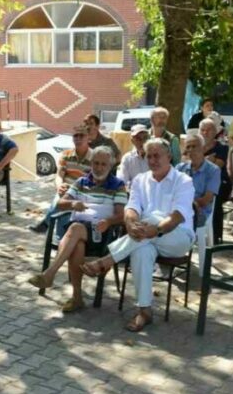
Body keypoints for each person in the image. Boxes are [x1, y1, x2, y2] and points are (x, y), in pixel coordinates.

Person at [79, 138, 195, 332]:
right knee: (141, 251)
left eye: (157, 156)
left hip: (178, 237)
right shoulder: (140, 180)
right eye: (149, 156)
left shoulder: (183, 181)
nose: (153, 160)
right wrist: (131, 223)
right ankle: (144, 311)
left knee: (153, 217)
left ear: (169, 156)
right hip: (144, 238)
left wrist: (156, 228)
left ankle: (107, 260)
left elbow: (177, 216)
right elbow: (131, 208)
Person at [27, 147, 126, 312]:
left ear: (110, 166)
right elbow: (60, 203)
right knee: (77, 245)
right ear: (91, 164)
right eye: (96, 163)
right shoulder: (81, 182)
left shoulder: (118, 186)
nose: (99, 167)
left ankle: (50, 273)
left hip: (101, 234)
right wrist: (73, 204)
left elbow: (121, 215)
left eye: (103, 164)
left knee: (75, 228)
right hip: (78, 234)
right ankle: (77, 298)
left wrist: (109, 221)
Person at [28, 125, 94, 234]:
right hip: (66, 190)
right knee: (62, 201)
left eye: (81, 136)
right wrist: (60, 186)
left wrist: (74, 190)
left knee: (61, 204)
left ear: (88, 138)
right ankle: (57, 235)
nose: (78, 138)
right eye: (75, 136)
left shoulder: (94, 157)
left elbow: (95, 182)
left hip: (83, 192)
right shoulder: (66, 155)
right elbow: (59, 175)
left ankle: (46, 225)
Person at [177, 134, 220, 229]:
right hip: (178, 208)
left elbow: (206, 200)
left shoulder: (213, 170)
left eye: (194, 146)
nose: (191, 150)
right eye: (188, 147)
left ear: (203, 148)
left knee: (175, 222)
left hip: (199, 212)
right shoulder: (180, 168)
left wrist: (186, 205)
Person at [199, 118, 231, 243]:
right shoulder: (194, 146)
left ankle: (216, 235)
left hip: (219, 181)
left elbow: (216, 167)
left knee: (215, 198)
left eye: (209, 130)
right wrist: (207, 160)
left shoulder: (222, 148)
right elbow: (186, 163)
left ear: (215, 132)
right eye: (203, 130)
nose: (205, 133)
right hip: (198, 181)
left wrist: (199, 161)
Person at [117, 124, 151, 189]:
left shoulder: (155, 157)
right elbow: (122, 181)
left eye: (145, 138)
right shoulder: (127, 158)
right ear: (132, 141)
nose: (142, 141)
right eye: (138, 138)